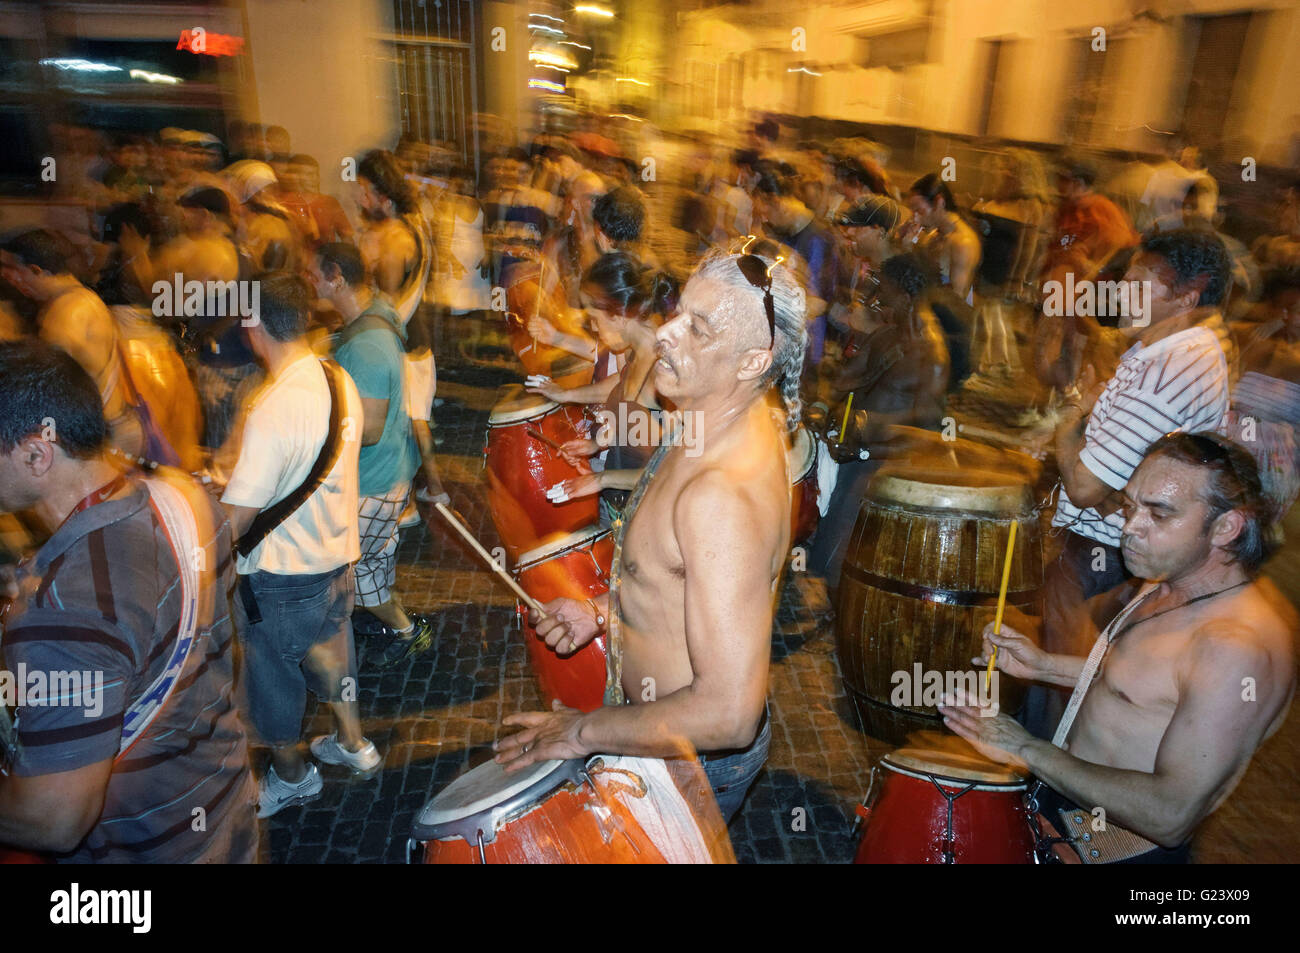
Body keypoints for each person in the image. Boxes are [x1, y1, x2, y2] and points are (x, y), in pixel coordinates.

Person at [493, 248, 807, 824]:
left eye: (699, 328)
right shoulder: (711, 416)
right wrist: (601, 609)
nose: (665, 333)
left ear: (751, 362)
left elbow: (730, 711)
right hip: (659, 732)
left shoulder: (721, 497)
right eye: (678, 311)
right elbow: (684, 576)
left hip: (688, 760)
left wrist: (583, 732)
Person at [943, 432, 1295, 864]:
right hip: (1061, 817)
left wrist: (1025, 749)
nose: (1130, 527)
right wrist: (1045, 667)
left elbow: (1170, 815)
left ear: (1226, 526)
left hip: (1113, 853)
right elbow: (1145, 683)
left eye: (1159, 514)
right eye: (1130, 506)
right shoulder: (1170, 578)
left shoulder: (1237, 649)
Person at [0, 340, 257, 861]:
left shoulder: (66, 607)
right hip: (224, 809)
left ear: (36, 453)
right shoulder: (186, 496)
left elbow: (54, 820)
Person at [1031, 229, 1236, 738]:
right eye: (1124, 279)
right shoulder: (1167, 352)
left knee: (1059, 696)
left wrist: (1066, 424)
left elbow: (1083, 486)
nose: (1119, 292)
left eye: (1140, 284)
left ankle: (1049, 801)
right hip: (1112, 552)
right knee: (1066, 684)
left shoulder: (1166, 371)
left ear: (1186, 298)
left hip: (1099, 557)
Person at [219, 273, 382, 817]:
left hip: (283, 579)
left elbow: (237, 521)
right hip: (337, 560)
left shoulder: (273, 407)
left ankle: (291, 776)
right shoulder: (337, 378)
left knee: (270, 679)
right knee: (336, 656)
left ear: (253, 326)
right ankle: (354, 745)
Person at [310, 243, 432, 667]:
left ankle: (405, 632)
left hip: (374, 481)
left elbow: (369, 428)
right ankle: (391, 623)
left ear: (336, 277)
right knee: (372, 561)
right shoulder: (374, 310)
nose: (309, 281)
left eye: (314, 273)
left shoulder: (366, 348)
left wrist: (310, 432)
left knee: (351, 574)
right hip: (389, 474)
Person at [809, 253, 950, 589]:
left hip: (881, 463)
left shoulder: (933, 354)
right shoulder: (888, 336)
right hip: (853, 452)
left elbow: (929, 421)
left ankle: (839, 621)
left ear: (905, 295)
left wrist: (869, 422)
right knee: (825, 547)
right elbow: (845, 380)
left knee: (839, 556)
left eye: (885, 292)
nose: (878, 299)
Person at [0, 229, 145, 461]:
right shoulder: (80, 299)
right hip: (111, 428)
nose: (10, 278)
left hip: (101, 438)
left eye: (15, 271)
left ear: (36, 270)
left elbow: (50, 385)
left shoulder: (67, 314)